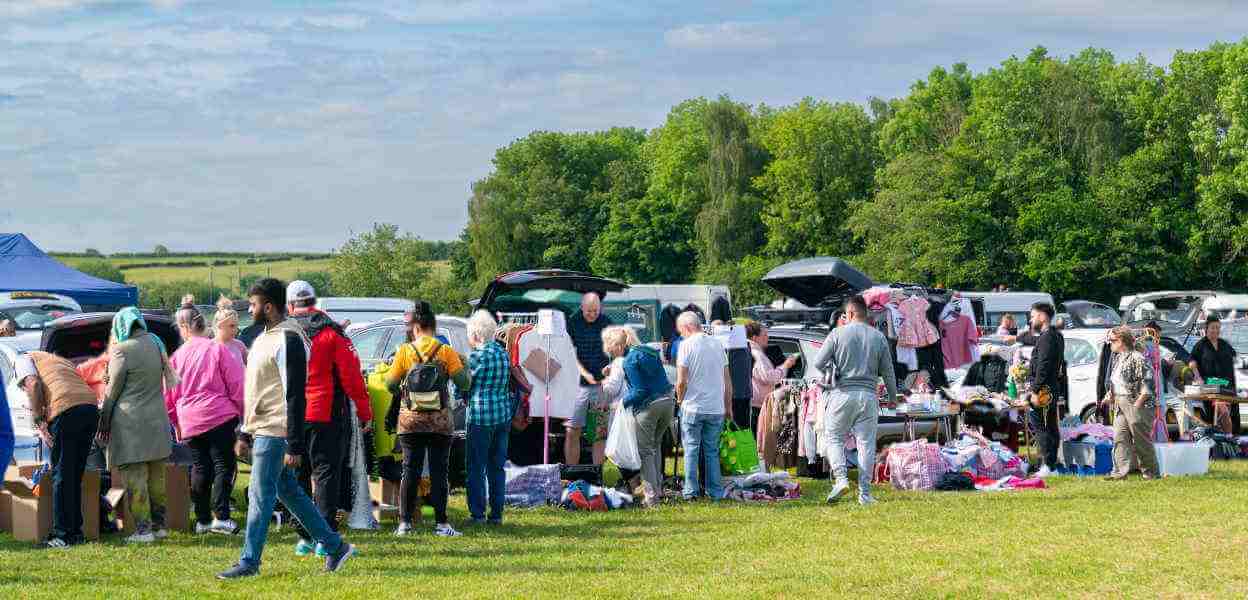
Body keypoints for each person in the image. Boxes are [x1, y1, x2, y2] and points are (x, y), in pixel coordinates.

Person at [218, 278, 354, 579]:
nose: (249, 309)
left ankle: (249, 562)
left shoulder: (289, 338)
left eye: (252, 304)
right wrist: (244, 431)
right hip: (262, 428)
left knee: (259, 495)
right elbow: (257, 391)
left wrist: (295, 444)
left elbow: (294, 394)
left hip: (276, 431)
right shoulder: (264, 337)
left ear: (268, 306)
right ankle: (335, 546)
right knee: (290, 493)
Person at [285, 281, 373, 554]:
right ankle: (324, 537)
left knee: (298, 475)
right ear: (316, 302)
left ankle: (304, 538)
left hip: (291, 415)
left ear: (290, 306)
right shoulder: (332, 333)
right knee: (326, 474)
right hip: (325, 414)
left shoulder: (281, 333)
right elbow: (352, 376)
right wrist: (365, 411)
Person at [384, 301, 467, 538]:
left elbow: (390, 385)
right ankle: (441, 524)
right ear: (433, 326)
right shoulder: (445, 351)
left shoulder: (404, 351)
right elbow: (464, 383)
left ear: (417, 327)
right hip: (439, 422)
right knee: (440, 472)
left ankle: (405, 524)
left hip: (410, 421)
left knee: (410, 470)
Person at [166, 301, 244, 535]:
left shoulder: (177, 357)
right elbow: (237, 383)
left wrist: (177, 423)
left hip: (190, 418)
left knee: (200, 468)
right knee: (224, 465)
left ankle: (202, 520)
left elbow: (169, 396)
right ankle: (221, 516)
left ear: (184, 327)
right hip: (219, 414)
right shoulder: (217, 348)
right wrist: (242, 412)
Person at [97, 308, 173, 543]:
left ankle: (143, 531)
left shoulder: (122, 350)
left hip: (131, 425)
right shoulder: (155, 343)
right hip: (158, 422)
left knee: (135, 479)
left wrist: (103, 422)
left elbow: (112, 392)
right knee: (157, 479)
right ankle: (160, 527)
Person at [812, 295, 897, 506]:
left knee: (834, 438)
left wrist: (833, 370)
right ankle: (865, 494)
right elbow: (888, 372)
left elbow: (818, 362)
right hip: (868, 396)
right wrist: (893, 397)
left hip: (841, 394)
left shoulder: (837, 334)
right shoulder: (878, 337)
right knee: (866, 445)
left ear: (849, 313)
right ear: (865, 314)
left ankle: (841, 479)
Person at [15, 352, 98, 547]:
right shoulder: (55, 360)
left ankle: (61, 535)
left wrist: (39, 421)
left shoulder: (23, 359)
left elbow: (34, 385)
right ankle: (75, 533)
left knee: (61, 473)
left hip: (66, 408)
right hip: (90, 408)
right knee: (74, 474)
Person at [603, 326, 674, 507]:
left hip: (649, 406)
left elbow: (640, 391)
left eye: (610, 349)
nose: (611, 353)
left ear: (618, 347)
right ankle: (658, 489)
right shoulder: (649, 351)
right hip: (668, 402)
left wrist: (621, 404)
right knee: (655, 447)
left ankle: (650, 499)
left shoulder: (628, 361)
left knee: (645, 453)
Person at [674, 311, 730, 501]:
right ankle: (715, 491)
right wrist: (727, 405)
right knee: (711, 451)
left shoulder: (685, 345)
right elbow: (727, 381)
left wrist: (679, 400)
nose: (681, 334)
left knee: (691, 449)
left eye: (681, 330)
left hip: (693, 407)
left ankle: (691, 492)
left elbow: (681, 381)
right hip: (716, 407)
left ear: (688, 327)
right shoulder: (717, 343)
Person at [464, 310, 510, 525]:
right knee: (497, 467)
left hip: (480, 416)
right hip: (502, 414)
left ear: (476, 333)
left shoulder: (476, 356)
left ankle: (478, 514)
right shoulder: (503, 353)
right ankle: (497, 515)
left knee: (476, 467)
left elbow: (464, 386)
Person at [1103, 327, 1159, 480]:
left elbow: (1148, 384)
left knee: (1141, 440)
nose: (1110, 344)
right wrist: (1111, 395)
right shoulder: (1118, 358)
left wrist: (1137, 405)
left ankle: (1151, 473)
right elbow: (1117, 382)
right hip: (1121, 402)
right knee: (1119, 437)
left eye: (1113, 341)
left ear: (1122, 341)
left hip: (1138, 403)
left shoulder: (1137, 357)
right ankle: (1120, 473)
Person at [566, 292, 615, 466]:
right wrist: (583, 372)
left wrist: (611, 368)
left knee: (599, 432)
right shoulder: (572, 322)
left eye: (595, 311)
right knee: (573, 430)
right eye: (589, 311)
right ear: (582, 307)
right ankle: (571, 473)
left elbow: (616, 350)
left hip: (601, 386)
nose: (592, 314)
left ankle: (597, 473)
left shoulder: (607, 323)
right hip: (577, 386)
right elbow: (568, 353)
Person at [1024, 302, 1064, 478]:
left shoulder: (1048, 337)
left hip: (1044, 389)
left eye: (1033, 316)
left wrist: (1034, 390)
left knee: (1042, 427)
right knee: (1050, 426)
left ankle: (1048, 465)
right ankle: (1051, 465)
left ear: (1042, 316)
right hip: (1049, 387)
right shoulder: (1055, 335)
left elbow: (1044, 365)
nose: (1031, 320)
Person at [1188, 315, 1239, 434]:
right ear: (1206, 328)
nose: (1215, 330)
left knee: (1230, 411)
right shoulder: (1201, 345)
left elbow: (1236, 358)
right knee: (1223, 412)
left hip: (1227, 384)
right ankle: (1228, 439)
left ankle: (1227, 437)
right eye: (1213, 327)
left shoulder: (1223, 344)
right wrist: (1198, 377)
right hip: (1210, 384)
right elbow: (1192, 362)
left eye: (1217, 327)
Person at [745, 322, 797, 435]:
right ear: (755, 337)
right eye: (764, 335)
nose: (767, 337)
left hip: (753, 404)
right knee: (760, 439)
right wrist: (786, 365)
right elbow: (769, 377)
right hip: (758, 407)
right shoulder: (757, 354)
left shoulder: (746, 350)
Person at [214, 296, 248, 366]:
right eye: (231, 326)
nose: (236, 330)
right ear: (220, 326)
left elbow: (251, 367)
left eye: (237, 326)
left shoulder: (240, 346)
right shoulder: (209, 347)